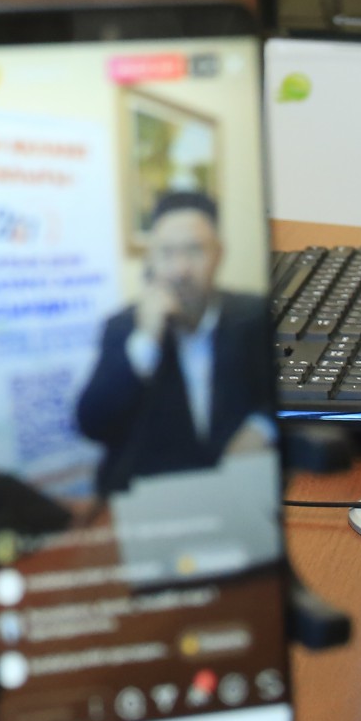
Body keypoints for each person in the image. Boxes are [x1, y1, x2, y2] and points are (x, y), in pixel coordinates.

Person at [75, 191, 276, 498]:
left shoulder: (255, 316)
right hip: (151, 498)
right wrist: (146, 342)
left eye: (194, 250)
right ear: (151, 261)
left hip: (237, 490)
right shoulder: (123, 327)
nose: (180, 269)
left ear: (219, 254)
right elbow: (92, 424)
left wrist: (262, 427)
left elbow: (289, 392)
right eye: (167, 252)